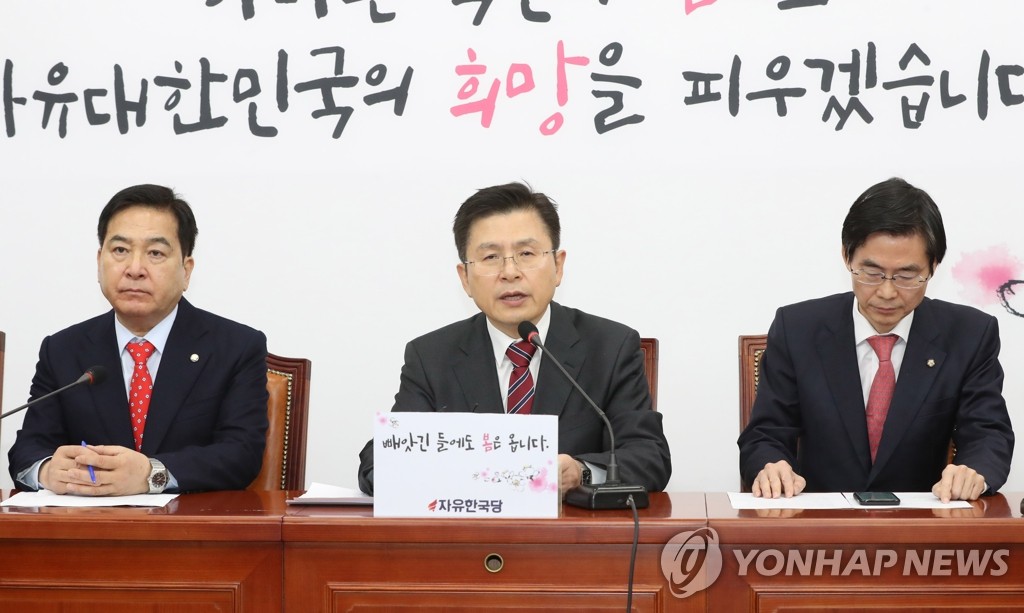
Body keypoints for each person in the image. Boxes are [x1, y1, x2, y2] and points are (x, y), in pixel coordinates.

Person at [357, 182, 671, 496]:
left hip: (569, 527)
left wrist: (581, 472)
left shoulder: (610, 348)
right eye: (491, 257)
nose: (510, 272)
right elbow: (378, 464)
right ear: (465, 278)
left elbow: (649, 457)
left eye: (526, 253)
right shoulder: (431, 357)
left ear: (558, 266)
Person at [738, 177, 1014, 501]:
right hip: (818, 520)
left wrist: (974, 471)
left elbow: (987, 433)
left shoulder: (969, 335)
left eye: (906, 276)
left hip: (922, 521)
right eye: (871, 273)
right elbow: (766, 433)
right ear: (847, 257)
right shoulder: (797, 329)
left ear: (933, 266)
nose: (887, 292)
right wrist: (771, 465)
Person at [8, 184, 269, 495]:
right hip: (90, 523)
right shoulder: (62, 349)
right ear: (99, 261)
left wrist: (151, 474)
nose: (134, 269)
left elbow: (241, 454)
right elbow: (29, 448)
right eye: (120, 250)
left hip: (190, 523)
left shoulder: (236, 347)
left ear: (186, 271)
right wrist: (48, 470)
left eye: (155, 253)